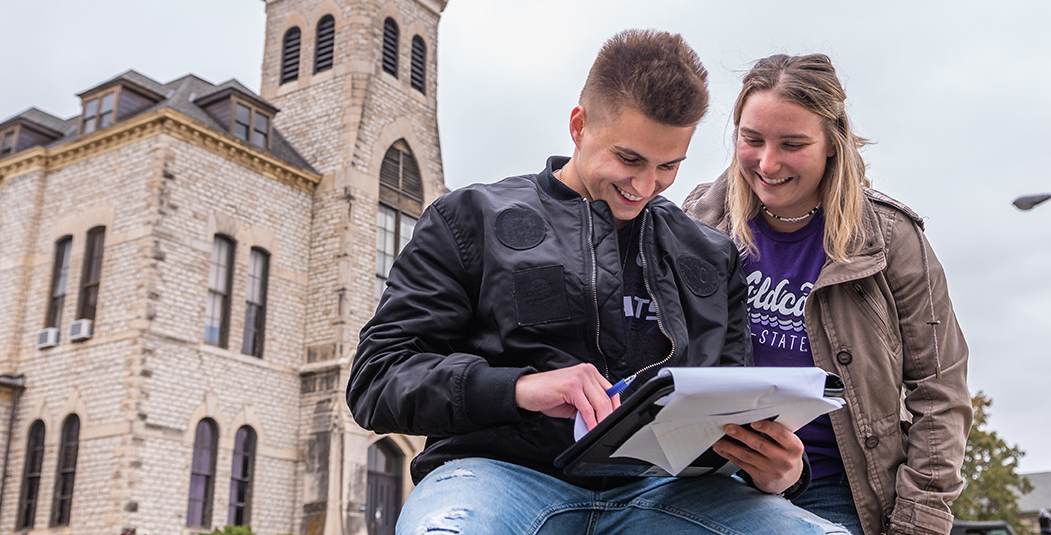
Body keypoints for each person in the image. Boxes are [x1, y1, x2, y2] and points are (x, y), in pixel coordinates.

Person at [347, 31, 847, 535]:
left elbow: (736, 406)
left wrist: (782, 471)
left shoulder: (711, 256)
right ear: (579, 125)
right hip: (494, 477)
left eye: (668, 165)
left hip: (669, 492)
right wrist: (518, 387)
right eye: (629, 159)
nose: (645, 186)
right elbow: (377, 380)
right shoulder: (468, 219)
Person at [683, 54, 972, 535]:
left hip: (837, 490)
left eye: (792, 144)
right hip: (706, 475)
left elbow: (940, 393)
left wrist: (916, 525)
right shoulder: (697, 223)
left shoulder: (891, 239)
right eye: (751, 140)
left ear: (833, 144)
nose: (767, 162)